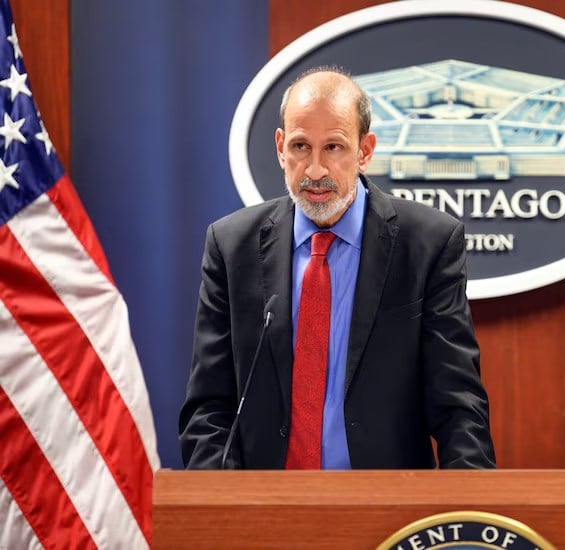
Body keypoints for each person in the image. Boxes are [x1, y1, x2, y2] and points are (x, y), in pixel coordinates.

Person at [179, 66, 495, 469]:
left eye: (333, 147)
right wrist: (222, 512)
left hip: (386, 512)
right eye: (299, 147)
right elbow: (209, 407)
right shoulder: (231, 246)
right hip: (263, 511)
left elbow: (459, 407)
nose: (314, 171)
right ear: (279, 147)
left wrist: (466, 518)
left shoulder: (427, 245)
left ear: (364, 151)